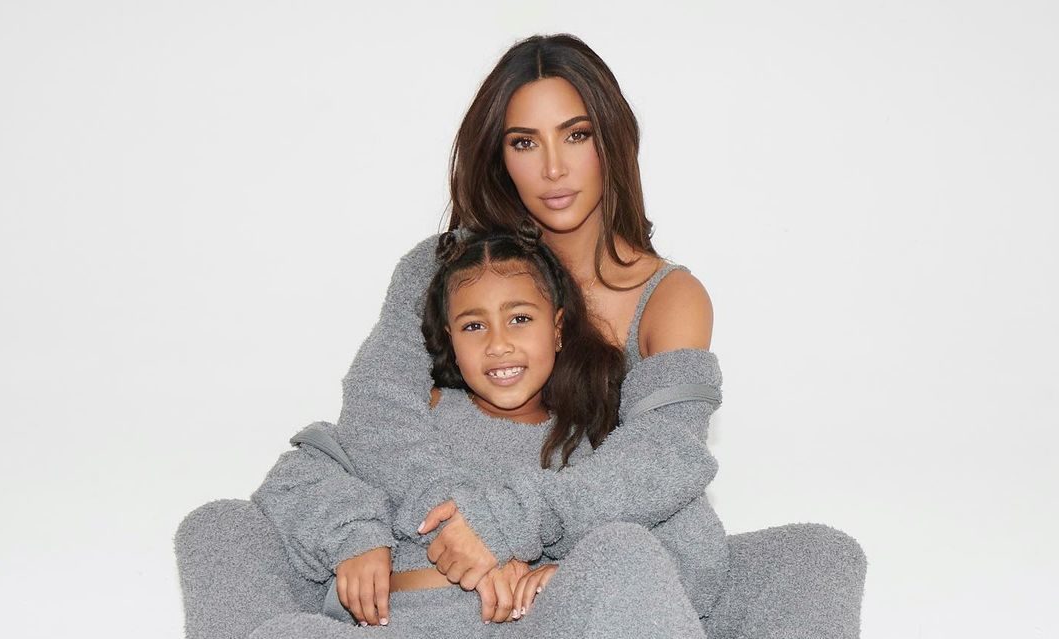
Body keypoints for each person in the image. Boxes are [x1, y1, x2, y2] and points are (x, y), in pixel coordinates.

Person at [176, 33, 866, 639]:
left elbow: (662, 463)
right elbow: (378, 409)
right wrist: (457, 528)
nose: (554, 168)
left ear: (613, 140)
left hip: (573, 563)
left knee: (816, 557)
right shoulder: (443, 266)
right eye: (524, 143)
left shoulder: (670, 298)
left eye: (576, 135)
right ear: (499, 156)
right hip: (420, 559)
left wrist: (510, 523)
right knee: (220, 529)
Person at [302, 227, 708, 637]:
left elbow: (678, 535)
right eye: (474, 326)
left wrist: (570, 575)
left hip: (516, 630)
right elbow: (304, 470)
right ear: (450, 340)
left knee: (626, 549)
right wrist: (357, 536)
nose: (498, 345)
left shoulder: (588, 452)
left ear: (558, 328)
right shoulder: (418, 415)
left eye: (519, 319)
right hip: (400, 625)